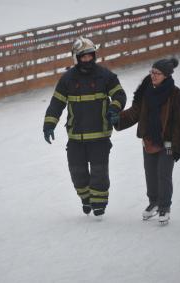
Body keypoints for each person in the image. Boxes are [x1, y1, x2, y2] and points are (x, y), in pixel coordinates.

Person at [43, 36, 126, 217]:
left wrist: (114, 108)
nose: (87, 60)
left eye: (90, 56)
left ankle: (99, 204)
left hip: (100, 137)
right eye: (83, 57)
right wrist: (49, 124)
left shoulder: (106, 76)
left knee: (99, 173)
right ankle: (86, 198)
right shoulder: (68, 79)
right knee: (77, 174)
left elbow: (120, 95)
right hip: (76, 137)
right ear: (76, 58)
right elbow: (57, 103)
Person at [114, 57, 180, 224]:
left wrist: (178, 145)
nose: (153, 76)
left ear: (166, 75)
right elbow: (135, 112)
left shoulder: (176, 93)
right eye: (152, 72)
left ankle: (164, 207)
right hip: (149, 141)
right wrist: (116, 118)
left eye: (157, 73)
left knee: (164, 174)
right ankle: (153, 202)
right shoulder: (146, 92)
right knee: (150, 174)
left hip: (168, 142)